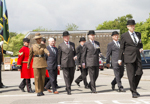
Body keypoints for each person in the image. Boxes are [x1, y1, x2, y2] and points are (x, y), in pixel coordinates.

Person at [118, 20, 143, 98]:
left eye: (134, 25)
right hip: (128, 57)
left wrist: (141, 48)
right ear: (128, 26)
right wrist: (120, 59)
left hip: (137, 56)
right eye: (131, 25)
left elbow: (140, 43)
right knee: (131, 75)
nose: (133, 27)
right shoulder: (124, 36)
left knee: (139, 73)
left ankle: (133, 88)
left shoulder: (138, 34)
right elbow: (121, 48)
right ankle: (134, 92)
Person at [57, 31, 76, 95]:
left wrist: (75, 56)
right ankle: (68, 89)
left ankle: (68, 86)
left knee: (72, 76)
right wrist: (59, 64)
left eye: (67, 36)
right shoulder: (60, 45)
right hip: (64, 62)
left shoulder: (72, 44)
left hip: (72, 62)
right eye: (65, 36)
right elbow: (59, 55)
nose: (67, 37)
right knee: (66, 76)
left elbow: (74, 53)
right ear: (63, 37)